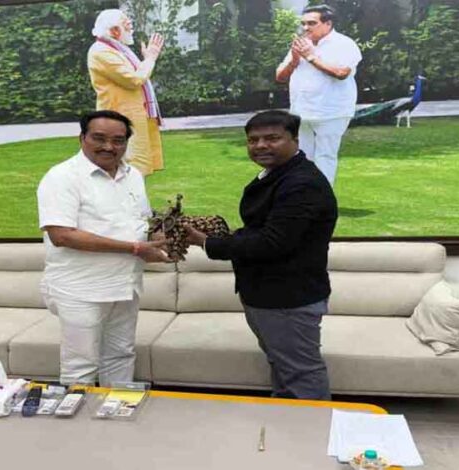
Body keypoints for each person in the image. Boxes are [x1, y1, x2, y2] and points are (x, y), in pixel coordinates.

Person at [184, 110, 338, 400]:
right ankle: (286, 418)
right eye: (253, 140)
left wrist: (207, 243)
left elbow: (272, 243)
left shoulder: (301, 184)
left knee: (301, 373)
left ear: (295, 139)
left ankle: (313, 425)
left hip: (287, 298)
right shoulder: (279, 175)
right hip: (268, 295)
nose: (260, 145)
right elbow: (263, 228)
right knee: (283, 366)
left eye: (272, 138)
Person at [37, 110, 170, 387]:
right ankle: (78, 416)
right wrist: (136, 248)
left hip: (125, 285)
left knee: (121, 354)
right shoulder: (61, 177)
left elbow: (138, 222)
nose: (109, 146)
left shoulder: (133, 175)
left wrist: (162, 238)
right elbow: (62, 235)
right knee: (81, 365)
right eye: (99, 138)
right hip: (80, 290)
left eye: (118, 140)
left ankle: (116, 410)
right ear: (82, 138)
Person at [275, 4, 361, 186]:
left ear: (328, 23)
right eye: (303, 23)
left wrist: (311, 57)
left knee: (325, 156)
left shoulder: (344, 44)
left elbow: (341, 73)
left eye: (312, 23)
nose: (306, 28)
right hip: (301, 111)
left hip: (331, 111)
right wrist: (294, 60)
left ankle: (322, 197)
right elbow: (280, 77)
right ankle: (304, 194)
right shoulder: (302, 44)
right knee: (301, 156)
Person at [87, 9, 165, 177]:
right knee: (126, 167)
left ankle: (135, 195)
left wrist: (148, 59)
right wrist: (150, 59)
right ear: (114, 30)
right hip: (119, 119)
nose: (130, 26)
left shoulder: (117, 49)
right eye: (126, 23)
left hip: (132, 116)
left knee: (136, 168)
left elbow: (137, 76)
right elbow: (134, 80)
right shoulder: (101, 52)